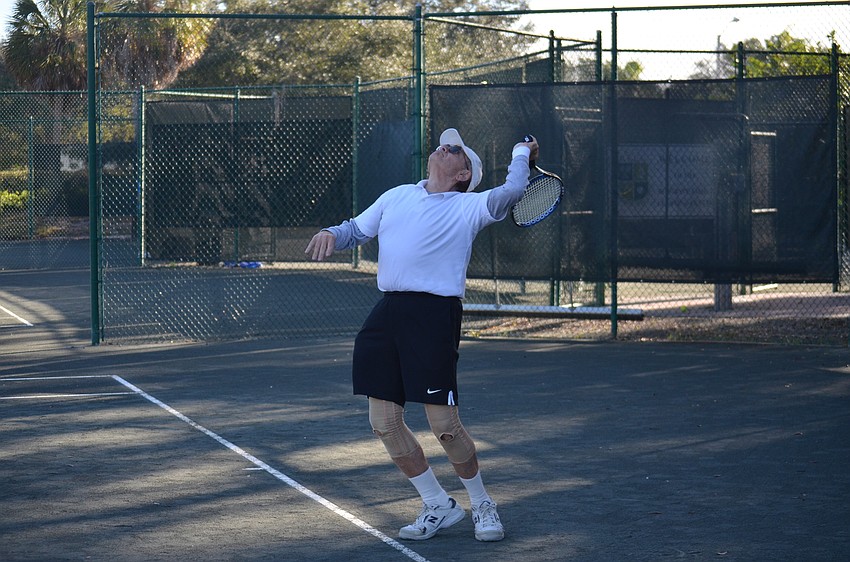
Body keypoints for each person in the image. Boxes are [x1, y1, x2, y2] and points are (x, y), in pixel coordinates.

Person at [305, 128, 538, 542]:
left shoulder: (472, 206)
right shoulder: (397, 195)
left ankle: (482, 503)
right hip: (388, 313)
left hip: (434, 315)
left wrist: (521, 149)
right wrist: (330, 233)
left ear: (463, 172)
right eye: (443, 144)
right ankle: (437, 504)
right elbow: (355, 230)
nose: (441, 147)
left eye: (453, 149)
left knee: (444, 425)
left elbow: (516, 187)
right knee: (383, 422)